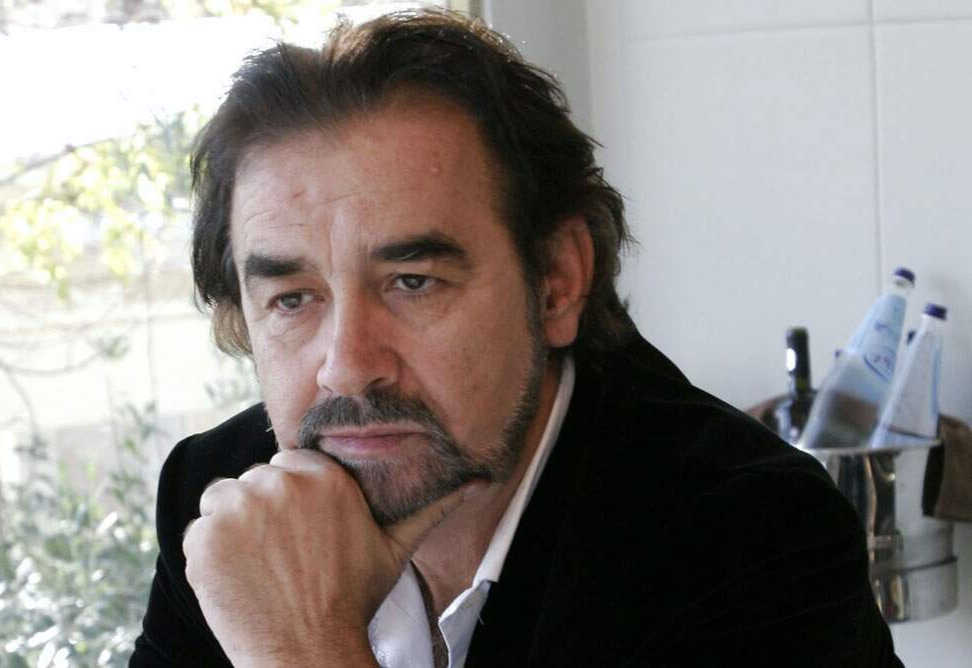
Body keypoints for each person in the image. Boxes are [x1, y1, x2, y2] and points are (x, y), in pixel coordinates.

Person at [130, 9, 900, 667]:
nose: (349, 368)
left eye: (412, 282)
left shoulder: (752, 540)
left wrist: (305, 648)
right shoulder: (222, 504)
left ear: (557, 281)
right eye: (293, 299)